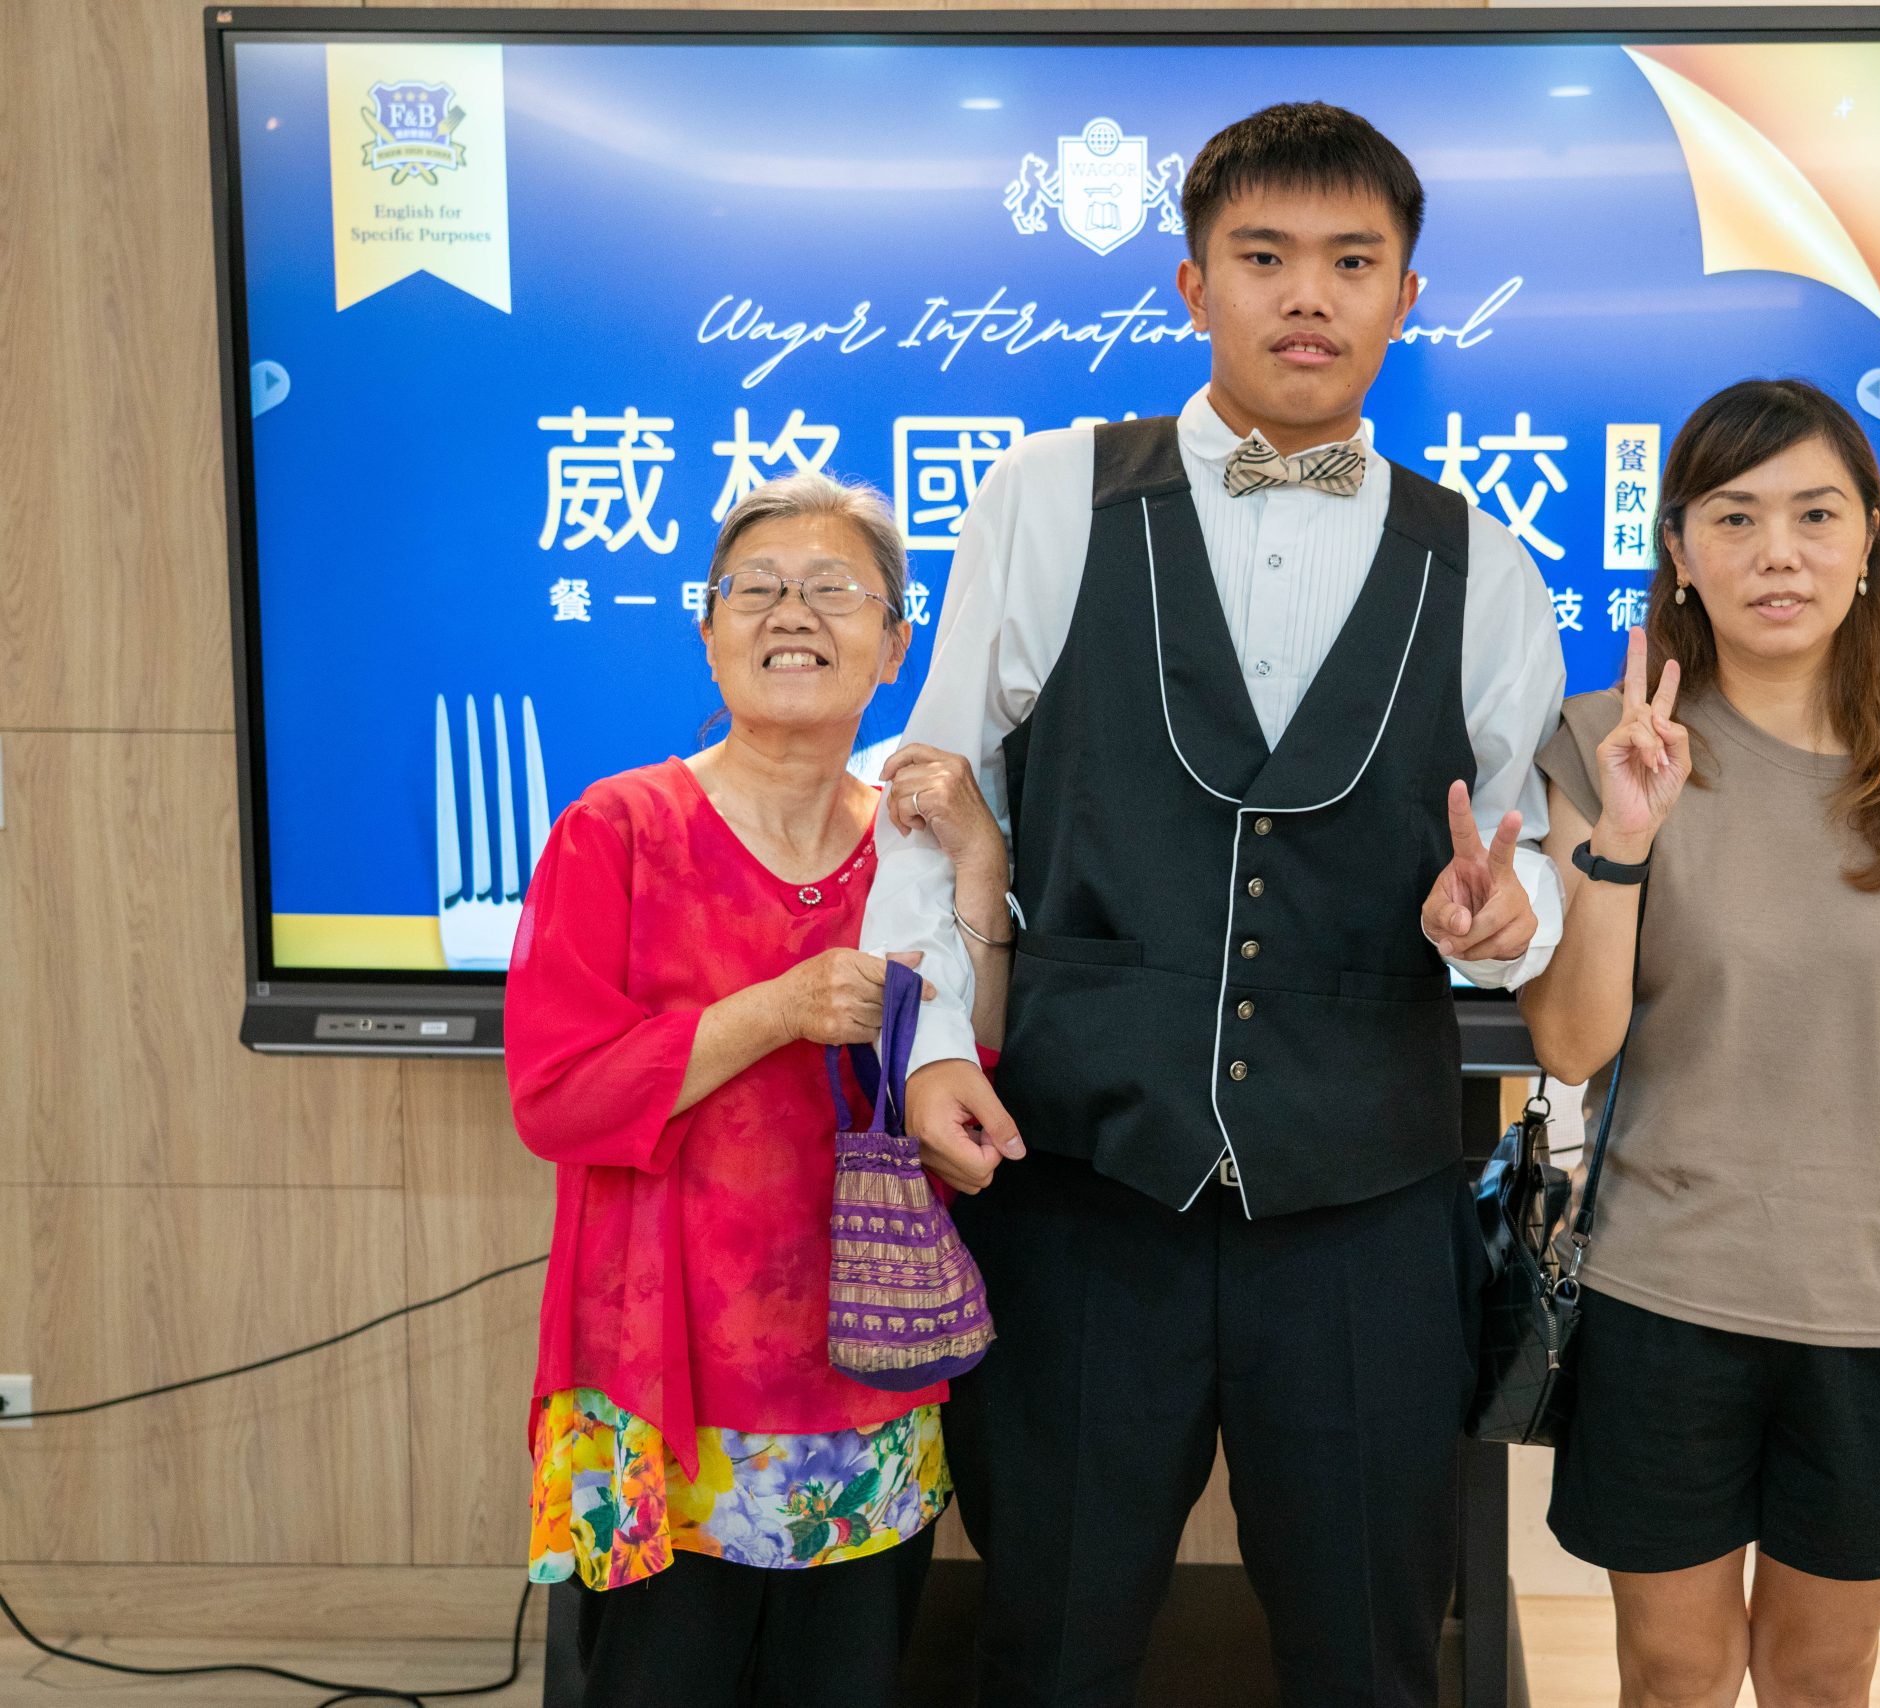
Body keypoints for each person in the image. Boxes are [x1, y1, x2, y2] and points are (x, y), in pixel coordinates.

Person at [859, 102, 1567, 1708]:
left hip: (1370, 1205)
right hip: (1082, 1183)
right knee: (1051, 1646)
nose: (1307, 295)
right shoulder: (1048, 496)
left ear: (1407, 297)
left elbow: (1520, 853)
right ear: (1192, 284)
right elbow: (933, 800)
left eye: (1352, 262)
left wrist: (1505, 916)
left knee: (1376, 1654)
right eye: (1264, 257)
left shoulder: (1484, 564)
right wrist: (931, 1047)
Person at [1521, 379, 1880, 1708]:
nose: (1779, 552)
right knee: (1674, 1672)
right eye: (1736, 516)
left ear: (1870, 537)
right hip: (1660, 1294)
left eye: (1816, 514)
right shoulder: (1606, 745)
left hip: (1879, 1307)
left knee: (1822, 1674)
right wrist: (1628, 838)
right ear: (1679, 549)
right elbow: (1573, 1044)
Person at [505, 472, 1012, 1708]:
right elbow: (556, 1098)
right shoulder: (618, 828)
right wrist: (778, 1010)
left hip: (868, 1368)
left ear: (894, 646)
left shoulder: (912, 850)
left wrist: (982, 869)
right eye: (758, 588)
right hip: (666, 1386)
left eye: (835, 589)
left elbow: (973, 1092)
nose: (794, 611)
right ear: (708, 630)